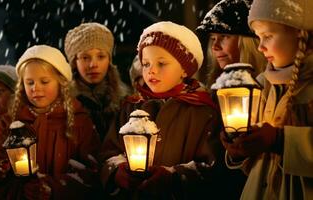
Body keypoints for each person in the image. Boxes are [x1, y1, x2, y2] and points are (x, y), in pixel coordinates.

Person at [99, 21, 242, 199]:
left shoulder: (202, 111)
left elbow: (213, 167)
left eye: (161, 63)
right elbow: (108, 153)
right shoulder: (131, 106)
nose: (151, 71)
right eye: (146, 64)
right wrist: (117, 171)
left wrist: (174, 178)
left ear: (184, 69)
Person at [0, 45, 101, 199]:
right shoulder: (11, 122)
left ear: (60, 83)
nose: (35, 88)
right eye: (30, 82)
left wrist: (52, 187)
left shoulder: (79, 121)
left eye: (44, 81)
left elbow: (91, 172)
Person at [220, 0, 313, 199]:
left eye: (268, 36)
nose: (261, 47)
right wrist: (240, 148)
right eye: (258, 37)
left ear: (301, 33)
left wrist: (281, 141)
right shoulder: (262, 85)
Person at [64, 22, 129, 141]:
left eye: (101, 57)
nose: (93, 65)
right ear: (74, 62)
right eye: (85, 57)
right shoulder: (63, 103)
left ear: (109, 60)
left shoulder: (124, 101)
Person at [196, 0, 266, 88]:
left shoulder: (270, 87)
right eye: (213, 38)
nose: (215, 46)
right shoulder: (210, 92)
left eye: (224, 36)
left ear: (247, 42)